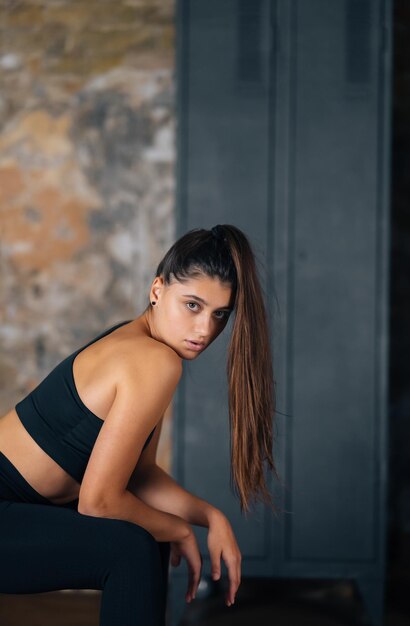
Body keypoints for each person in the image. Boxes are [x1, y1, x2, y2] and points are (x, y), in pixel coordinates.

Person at [0, 224, 279, 626]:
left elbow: (138, 475)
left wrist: (209, 516)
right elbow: (97, 502)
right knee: (134, 546)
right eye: (192, 305)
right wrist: (181, 531)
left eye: (220, 314)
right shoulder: (154, 361)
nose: (205, 330)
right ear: (157, 289)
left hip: (18, 509)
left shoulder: (141, 344)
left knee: (145, 532)